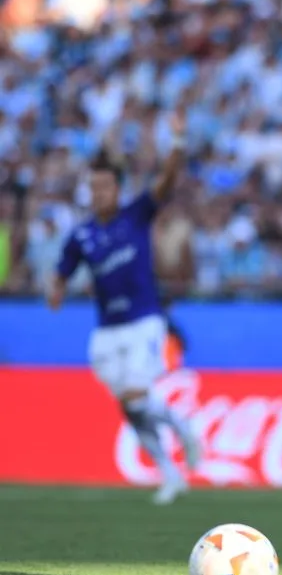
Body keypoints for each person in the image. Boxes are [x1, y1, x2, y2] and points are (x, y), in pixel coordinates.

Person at [47, 117, 201, 506]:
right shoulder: (82, 235)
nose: (99, 193)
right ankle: (169, 472)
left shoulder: (135, 214)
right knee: (129, 406)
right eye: (94, 187)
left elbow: (166, 183)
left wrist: (178, 140)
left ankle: (180, 426)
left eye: (105, 186)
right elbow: (63, 269)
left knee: (135, 396)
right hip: (107, 331)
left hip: (144, 321)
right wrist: (56, 290)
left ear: (117, 188)